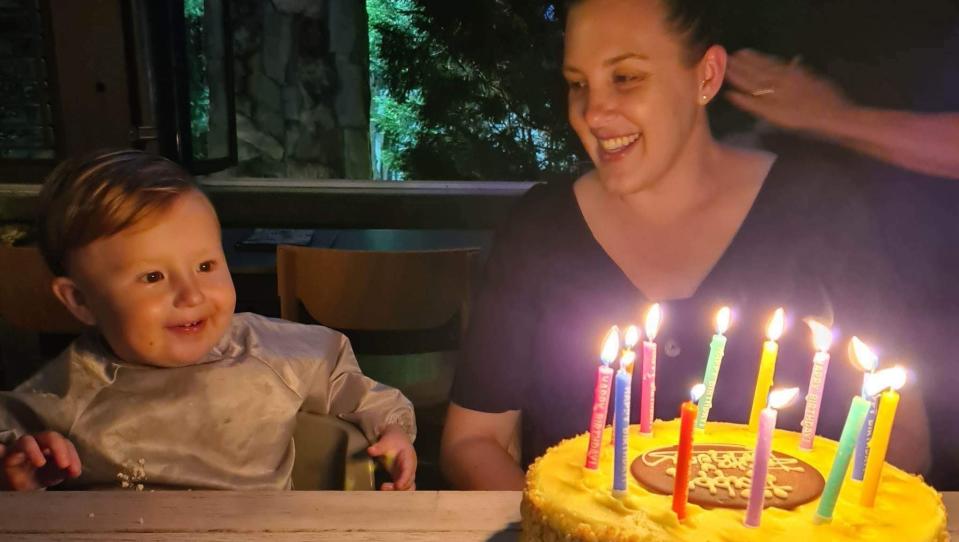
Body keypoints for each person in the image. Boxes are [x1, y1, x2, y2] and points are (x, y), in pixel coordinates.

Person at [440, 0, 932, 491]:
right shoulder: (540, 228)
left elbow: (902, 433)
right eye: (578, 83)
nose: (592, 112)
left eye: (626, 77)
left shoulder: (818, 208)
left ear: (706, 76)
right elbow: (473, 440)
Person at [0, 150, 417, 491]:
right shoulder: (69, 389)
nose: (191, 295)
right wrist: (18, 474)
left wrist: (392, 431)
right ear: (80, 300)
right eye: (152, 277)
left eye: (205, 265)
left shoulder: (269, 352)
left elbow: (347, 382)